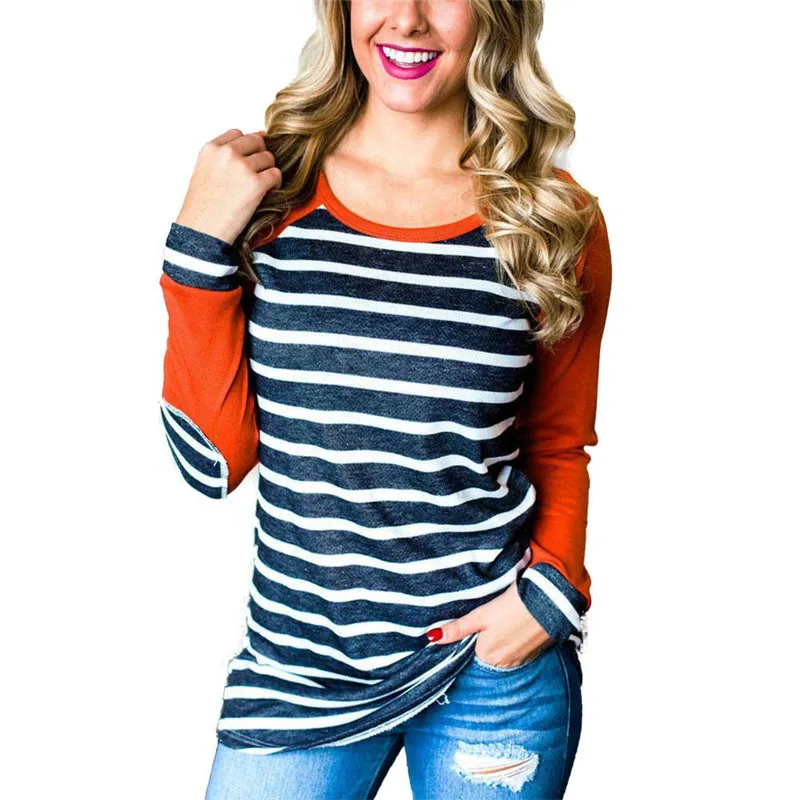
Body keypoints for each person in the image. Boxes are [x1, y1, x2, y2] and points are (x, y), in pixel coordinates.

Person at [158, 0, 612, 797]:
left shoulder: (550, 219)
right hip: (298, 672)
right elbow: (212, 462)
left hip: (489, 665)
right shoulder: (270, 195)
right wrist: (195, 250)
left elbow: (556, 441)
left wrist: (551, 594)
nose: (407, 19)